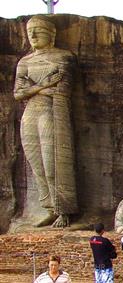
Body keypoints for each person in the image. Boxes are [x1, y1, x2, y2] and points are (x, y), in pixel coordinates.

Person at [13, 15, 78, 227]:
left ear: (51, 34)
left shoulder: (63, 57)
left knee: (53, 163)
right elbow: (18, 93)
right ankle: (49, 207)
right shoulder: (25, 62)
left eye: (37, 30)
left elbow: (63, 89)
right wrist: (44, 86)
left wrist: (33, 87)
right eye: (29, 31)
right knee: (36, 164)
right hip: (31, 113)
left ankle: (64, 210)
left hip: (52, 112)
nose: (32, 35)